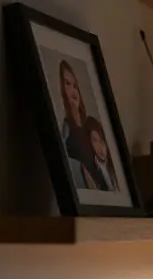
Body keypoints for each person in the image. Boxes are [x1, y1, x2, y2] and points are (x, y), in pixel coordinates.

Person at [57, 59, 107, 190]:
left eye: (75, 86)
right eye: (67, 84)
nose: (73, 90)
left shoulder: (89, 124)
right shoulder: (66, 128)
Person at [83, 116, 120, 192]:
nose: (100, 147)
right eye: (95, 140)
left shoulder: (115, 165)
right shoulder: (89, 169)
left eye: (102, 141)